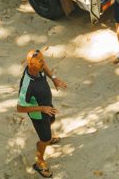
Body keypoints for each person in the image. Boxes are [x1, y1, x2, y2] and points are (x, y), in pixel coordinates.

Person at [17, 49, 68, 177]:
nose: (44, 63)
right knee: (44, 138)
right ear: (32, 65)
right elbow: (20, 108)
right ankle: (39, 162)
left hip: (46, 107)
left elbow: (44, 66)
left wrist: (54, 78)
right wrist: (41, 108)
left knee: (51, 120)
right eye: (40, 62)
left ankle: (47, 138)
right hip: (38, 114)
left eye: (42, 60)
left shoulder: (38, 68)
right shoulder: (27, 85)